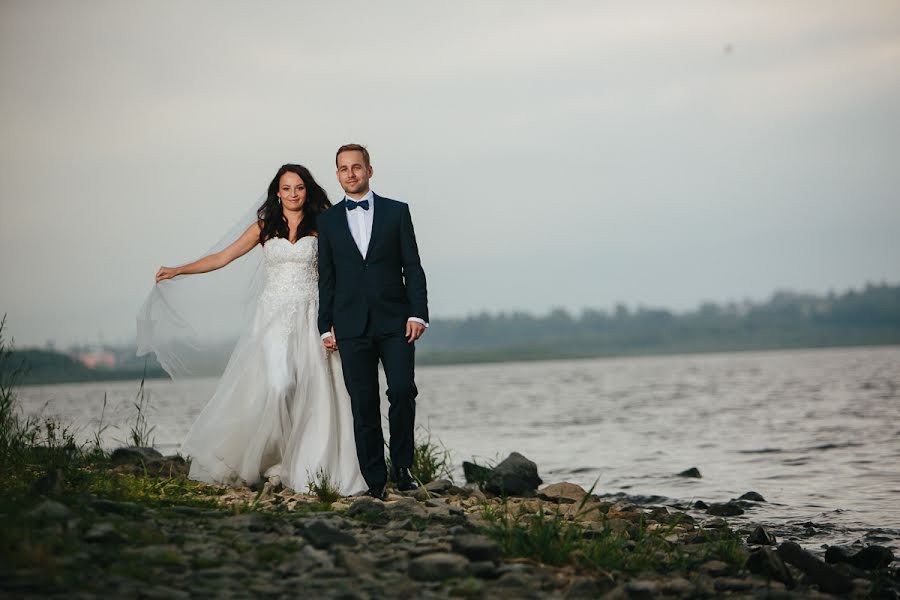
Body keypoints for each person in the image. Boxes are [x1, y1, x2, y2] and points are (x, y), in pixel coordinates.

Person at [145, 164, 366, 495]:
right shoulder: (265, 228)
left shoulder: (324, 227)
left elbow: (342, 273)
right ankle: (269, 458)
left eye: (299, 187)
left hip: (312, 315)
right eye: (286, 187)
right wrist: (180, 269)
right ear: (277, 192)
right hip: (273, 318)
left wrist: (336, 318)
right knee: (279, 385)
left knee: (313, 388)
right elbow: (222, 257)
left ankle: (302, 465)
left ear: (308, 191)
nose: (293, 193)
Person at [317, 144, 429, 500]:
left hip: (396, 321)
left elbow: (412, 265)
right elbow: (327, 278)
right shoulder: (328, 221)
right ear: (337, 174)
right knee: (362, 403)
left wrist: (418, 312)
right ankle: (375, 481)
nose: (350, 174)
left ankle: (403, 467)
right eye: (343, 169)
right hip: (350, 326)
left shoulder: (397, 212)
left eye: (356, 167)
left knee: (401, 391)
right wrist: (325, 325)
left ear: (369, 170)